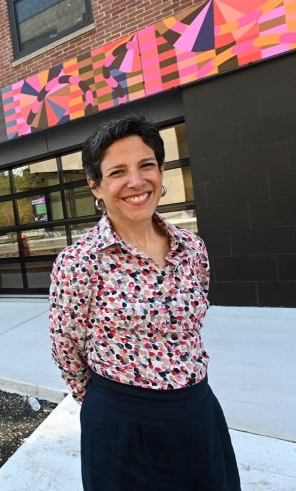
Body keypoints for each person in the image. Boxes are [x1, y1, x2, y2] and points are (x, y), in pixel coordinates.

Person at [48, 115, 240, 490]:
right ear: (96, 187)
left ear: (161, 171)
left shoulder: (192, 249)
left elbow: (192, 326)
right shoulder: (80, 261)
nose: (136, 182)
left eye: (146, 165)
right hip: (121, 424)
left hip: (196, 411)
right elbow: (66, 346)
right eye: (118, 171)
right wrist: (108, 405)